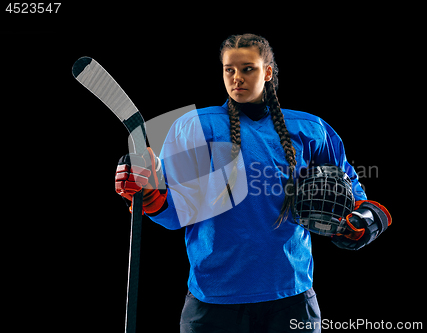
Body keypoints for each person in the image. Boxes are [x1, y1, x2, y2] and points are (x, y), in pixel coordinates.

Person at [115, 33, 391, 333]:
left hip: (290, 295)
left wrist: (365, 218)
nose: (237, 78)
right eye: (229, 70)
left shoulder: (310, 129)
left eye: (248, 69)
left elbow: (352, 188)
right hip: (213, 300)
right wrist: (146, 194)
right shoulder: (193, 126)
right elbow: (173, 211)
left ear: (268, 72)